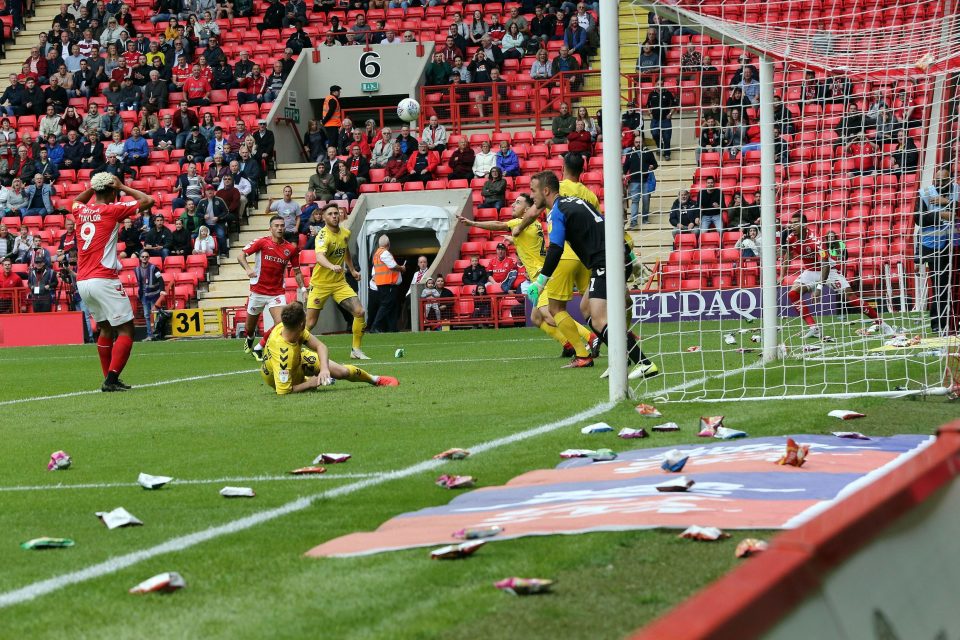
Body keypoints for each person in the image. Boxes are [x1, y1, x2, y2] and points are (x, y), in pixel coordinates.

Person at [525, 171, 657, 377]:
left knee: (598, 319)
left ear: (546, 190)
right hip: (613, 258)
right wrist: (630, 256)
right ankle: (619, 360)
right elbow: (605, 226)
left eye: (533, 191)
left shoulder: (557, 211)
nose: (531, 196)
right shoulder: (576, 202)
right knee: (585, 307)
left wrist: (540, 283)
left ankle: (643, 362)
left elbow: (556, 249)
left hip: (607, 262)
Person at [72, 173, 155, 391]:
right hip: (103, 278)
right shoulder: (112, 210)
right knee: (127, 329)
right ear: (111, 192)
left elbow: (77, 201)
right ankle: (111, 379)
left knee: (105, 328)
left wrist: (94, 186)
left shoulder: (80, 210)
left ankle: (110, 378)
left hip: (83, 281)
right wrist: (123, 186)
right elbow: (149, 201)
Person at [780, 211, 894, 340]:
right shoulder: (790, 239)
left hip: (829, 271)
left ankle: (883, 325)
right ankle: (814, 328)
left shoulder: (816, 241)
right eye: (791, 223)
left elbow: (826, 265)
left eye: (795, 223)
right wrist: (782, 276)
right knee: (792, 294)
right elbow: (787, 257)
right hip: (810, 271)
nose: (792, 226)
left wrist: (818, 289)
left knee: (851, 297)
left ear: (804, 225)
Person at [258, 302, 398, 395]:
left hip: (298, 357)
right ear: (301, 324)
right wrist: (310, 384)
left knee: (341, 372)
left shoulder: (288, 328)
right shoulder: (284, 356)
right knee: (305, 384)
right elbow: (284, 391)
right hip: (281, 375)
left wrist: (324, 369)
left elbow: (320, 346)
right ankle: (306, 379)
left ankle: (376, 379)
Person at [303, 203, 369, 360]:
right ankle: (293, 346)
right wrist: (332, 266)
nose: (334, 216)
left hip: (339, 283)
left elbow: (345, 249)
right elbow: (319, 257)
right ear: (324, 218)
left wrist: (352, 270)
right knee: (310, 323)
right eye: (330, 214)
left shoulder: (345, 233)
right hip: (320, 285)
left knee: (359, 312)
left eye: (336, 213)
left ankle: (356, 350)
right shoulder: (322, 236)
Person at [237, 215, 306, 355]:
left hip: (277, 292)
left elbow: (297, 271)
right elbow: (241, 256)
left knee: (281, 323)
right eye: (276, 226)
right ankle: (250, 338)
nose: (280, 228)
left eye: (282, 225)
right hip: (258, 291)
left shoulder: (290, 249)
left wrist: (303, 288)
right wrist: (248, 269)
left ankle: (259, 347)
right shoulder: (262, 242)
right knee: (249, 328)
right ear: (270, 228)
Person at [917, 168, 959, 335]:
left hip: (955, 245)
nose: (940, 183)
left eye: (944, 180)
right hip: (935, 247)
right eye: (938, 180)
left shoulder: (958, 190)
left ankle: (955, 321)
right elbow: (918, 218)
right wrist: (942, 214)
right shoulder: (925, 193)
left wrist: (946, 202)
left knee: (955, 287)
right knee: (939, 286)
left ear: (951, 180)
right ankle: (938, 323)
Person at [370, 234, 405, 333]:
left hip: (382, 283)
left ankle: (392, 328)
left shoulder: (376, 253)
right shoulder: (385, 253)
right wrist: (402, 268)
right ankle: (375, 326)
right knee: (386, 305)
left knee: (392, 306)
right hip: (388, 283)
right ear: (388, 244)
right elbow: (392, 266)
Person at [623, 137, 657, 227]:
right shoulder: (629, 153)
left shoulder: (648, 152)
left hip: (646, 181)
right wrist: (623, 174)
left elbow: (655, 164)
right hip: (634, 181)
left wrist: (652, 166)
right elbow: (626, 166)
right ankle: (633, 221)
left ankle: (645, 219)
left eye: (640, 142)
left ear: (643, 142)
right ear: (634, 143)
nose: (638, 143)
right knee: (635, 201)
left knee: (646, 201)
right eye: (636, 142)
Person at [135, 250, 165, 340]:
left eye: (146, 257)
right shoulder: (136, 269)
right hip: (144, 295)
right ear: (140, 258)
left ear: (149, 258)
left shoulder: (154, 268)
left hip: (154, 294)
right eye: (143, 257)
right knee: (147, 315)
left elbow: (160, 279)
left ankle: (157, 334)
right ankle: (150, 335)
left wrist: (162, 290)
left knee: (155, 314)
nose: (145, 258)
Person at [646, 78, 676, 160]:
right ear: (655, 85)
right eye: (658, 84)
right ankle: (660, 146)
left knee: (667, 137)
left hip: (665, 120)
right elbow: (648, 106)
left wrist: (670, 114)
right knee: (654, 134)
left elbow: (674, 105)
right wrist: (650, 114)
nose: (660, 86)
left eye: (662, 84)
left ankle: (667, 154)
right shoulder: (651, 94)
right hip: (655, 120)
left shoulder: (668, 93)